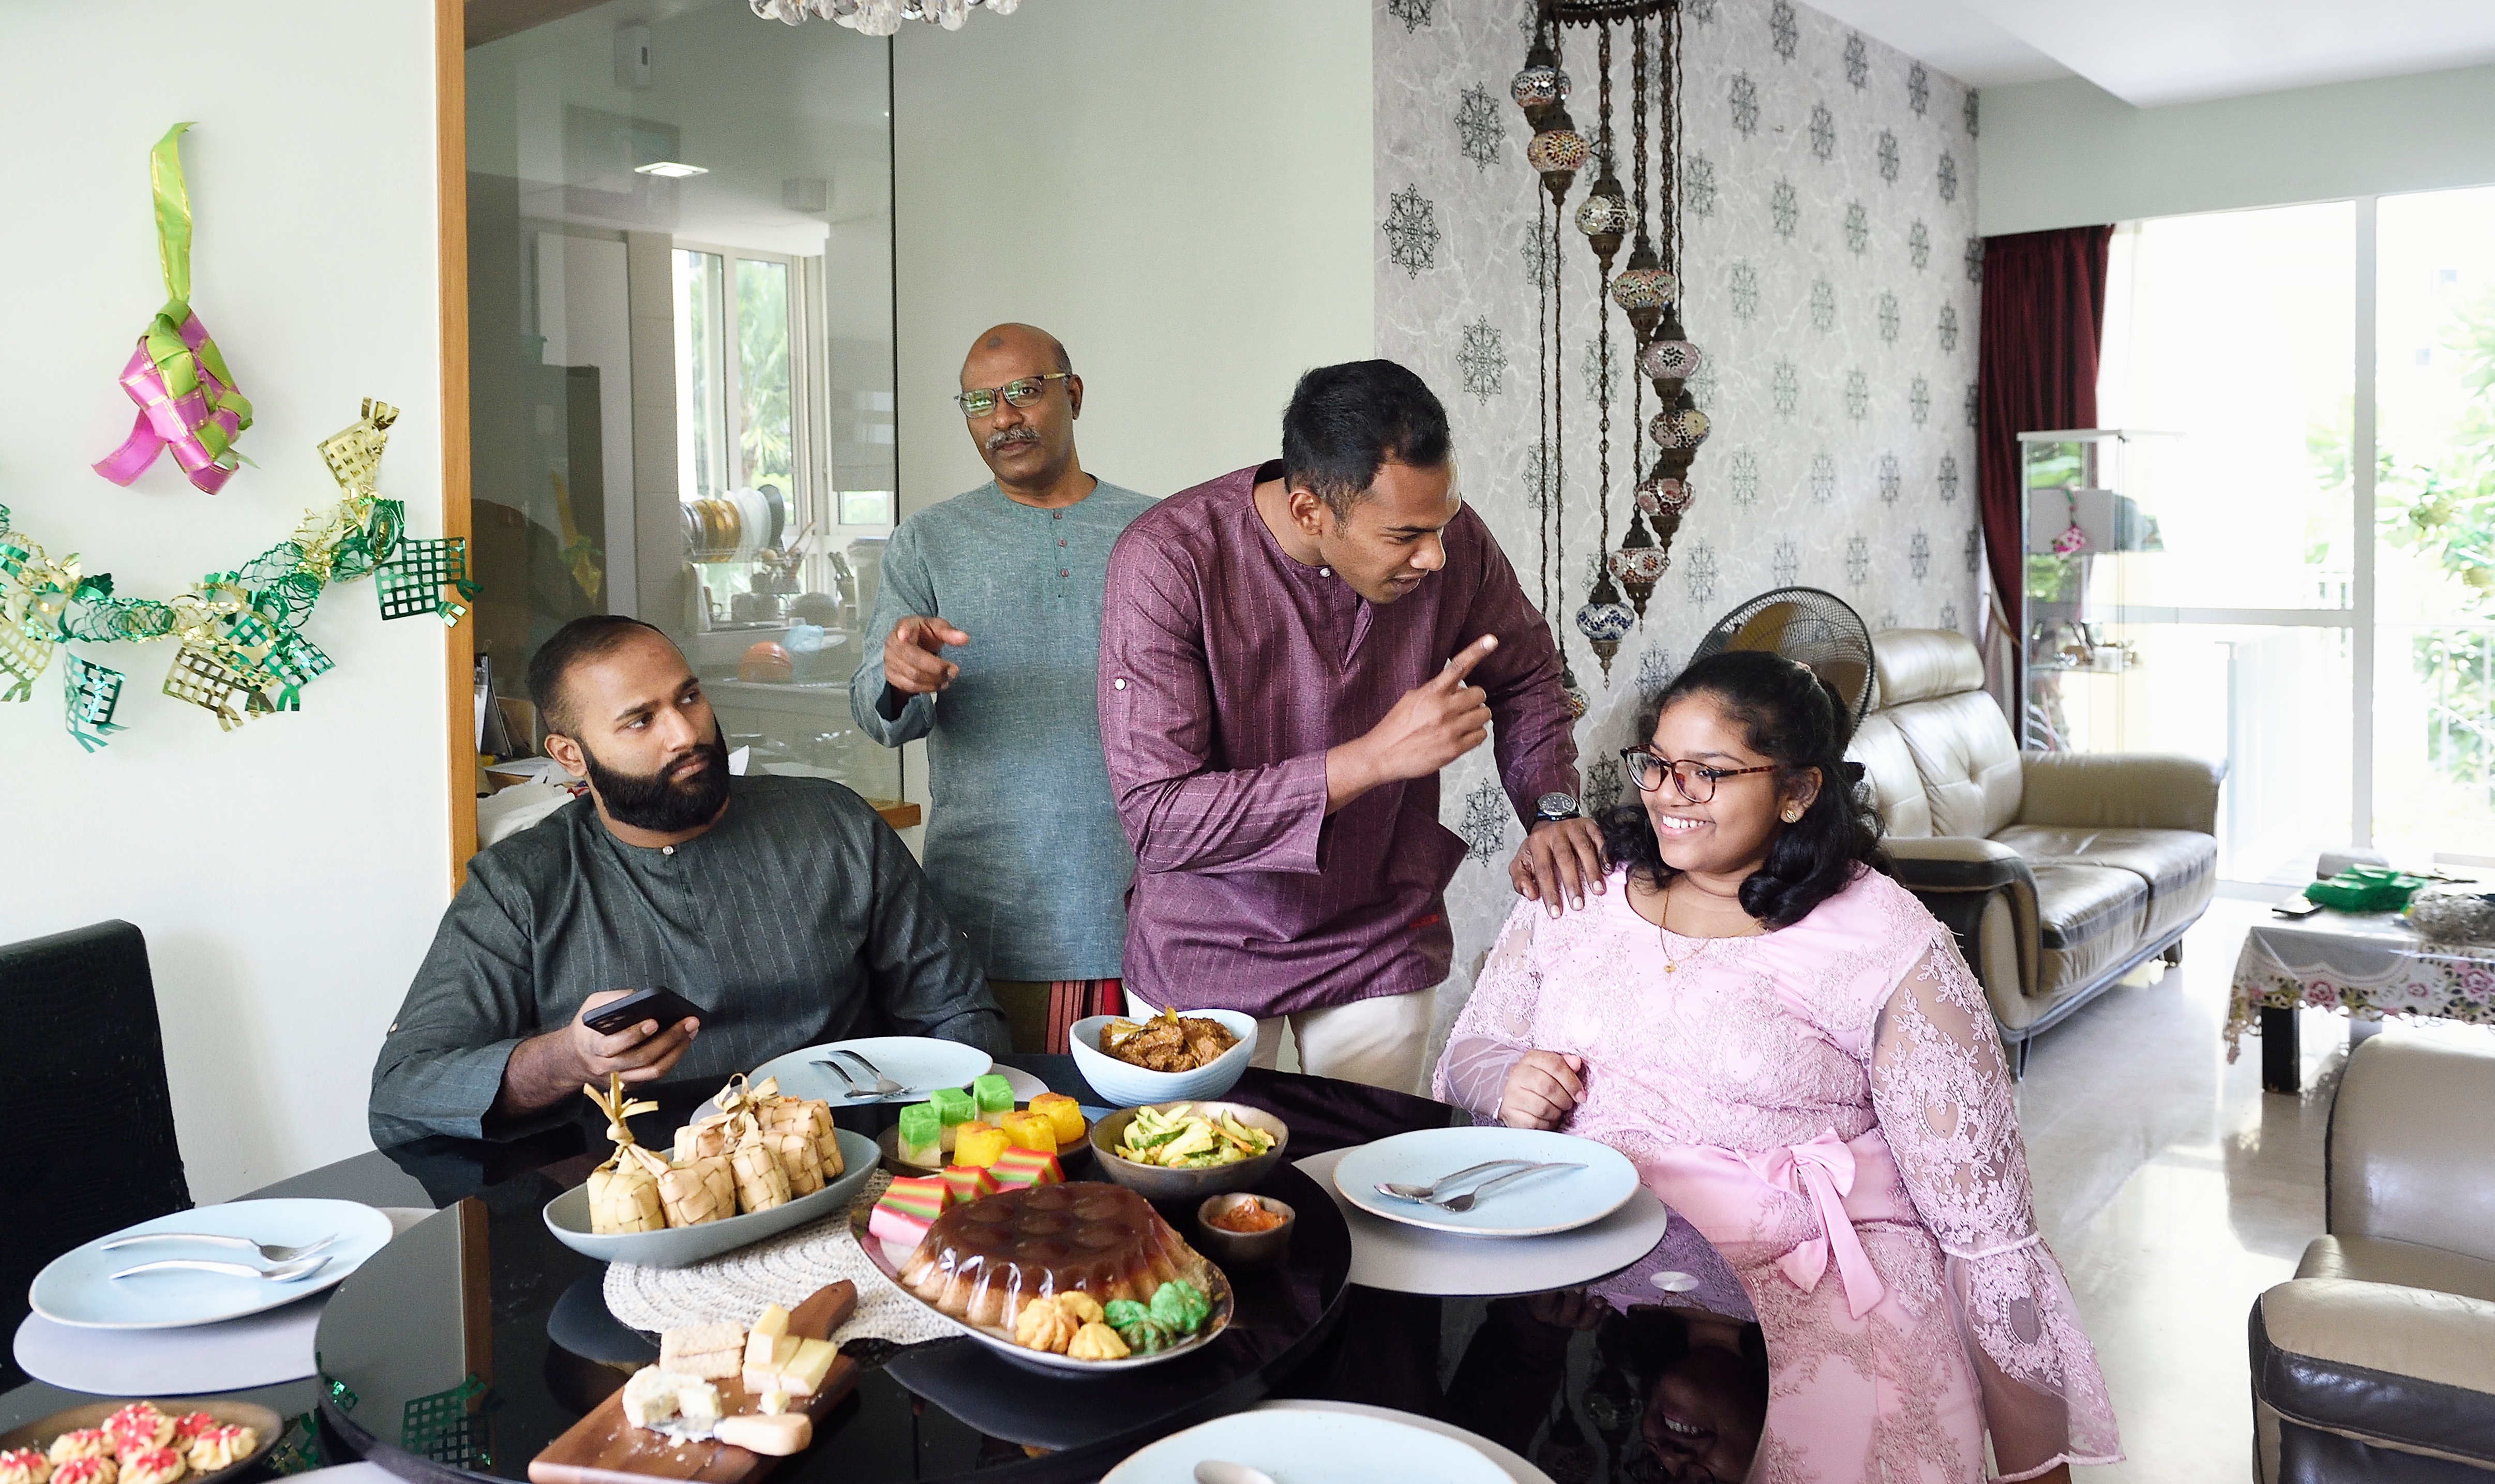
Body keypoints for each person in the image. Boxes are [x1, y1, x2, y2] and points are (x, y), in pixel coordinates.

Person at [1432, 651, 2120, 1481]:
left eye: (1707, 774)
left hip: (1816, 1283)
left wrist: (2031, 1471)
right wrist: (1505, 1080)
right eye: (1655, 763)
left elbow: (1986, 1233)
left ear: (1797, 792)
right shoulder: (1579, 887)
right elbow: (1468, 1052)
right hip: (1587, 1267)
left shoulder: (1883, 939)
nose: (1665, 794)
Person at [1098, 358, 1595, 1094]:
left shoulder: (1446, 544)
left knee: (1367, 1178)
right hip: (1204, 937)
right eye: (1403, 536)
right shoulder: (1167, 561)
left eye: (1442, 523)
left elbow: (1525, 672)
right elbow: (1160, 819)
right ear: (1308, 512)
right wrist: (1369, 759)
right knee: (1211, 1187)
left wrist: (1550, 807)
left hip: (1377, 927)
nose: (1434, 555)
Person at [370, 615, 1006, 1146]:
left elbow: (956, 1010)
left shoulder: (832, 823)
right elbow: (403, 1090)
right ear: (570, 755)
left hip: (849, 1160)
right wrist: (568, 1059)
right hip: (643, 1199)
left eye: (689, 697)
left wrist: (936, 1147)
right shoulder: (521, 887)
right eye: (640, 721)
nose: (687, 734)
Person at [851, 323, 1154, 1052]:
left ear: (1072, 395)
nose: (1002, 418)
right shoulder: (929, 540)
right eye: (979, 402)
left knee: (1133, 1144)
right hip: (987, 907)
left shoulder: (1156, 529)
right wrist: (898, 675)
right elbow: (874, 708)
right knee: (1003, 1137)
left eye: (1023, 391)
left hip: (1144, 902)